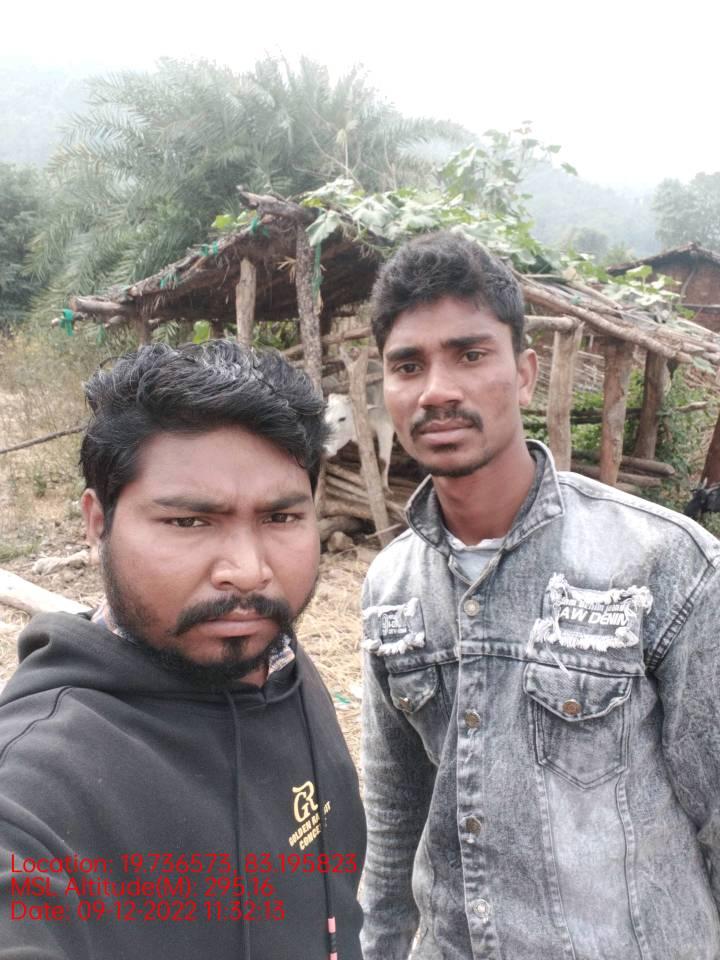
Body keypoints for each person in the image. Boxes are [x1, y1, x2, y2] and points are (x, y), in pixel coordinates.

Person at [360, 231, 720, 960]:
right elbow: (395, 812)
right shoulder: (390, 586)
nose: (437, 390)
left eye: (470, 354)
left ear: (525, 375)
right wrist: (381, 943)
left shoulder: (661, 563)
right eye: (408, 365)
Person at [0, 341, 365, 960]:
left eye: (280, 518)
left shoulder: (282, 666)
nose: (248, 571)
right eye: (190, 522)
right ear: (98, 524)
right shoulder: (36, 790)